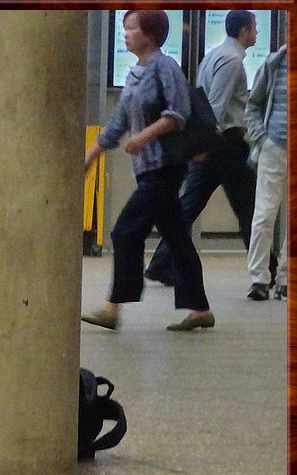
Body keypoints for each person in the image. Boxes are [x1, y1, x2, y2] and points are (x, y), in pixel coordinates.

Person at [81, 10, 215, 332]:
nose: (125, 34)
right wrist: (92, 154)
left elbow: (178, 113)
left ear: (151, 35)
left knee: (125, 231)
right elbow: (118, 123)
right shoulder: (135, 73)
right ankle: (200, 309)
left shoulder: (165, 67)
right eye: (124, 28)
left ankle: (113, 306)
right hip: (147, 169)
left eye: (131, 28)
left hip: (164, 167)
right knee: (176, 238)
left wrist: (143, 136)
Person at [144, 10, 269, 287]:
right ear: (244, 30)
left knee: (190, 205)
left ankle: (161, 264)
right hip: (225, 145)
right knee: (249, 206)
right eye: (254, 27)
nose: (257, 33)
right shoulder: (233, 61)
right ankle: (267, 271)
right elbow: (215, 107)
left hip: (213, 145)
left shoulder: (213, 55)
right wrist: (202, 144)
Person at [245, 44, 287, 301]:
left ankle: (286, 279)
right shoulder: (274, 64)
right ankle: (259, 279)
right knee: (264, 214)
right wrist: (261, 139)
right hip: (274, 147)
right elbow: (254, 105)